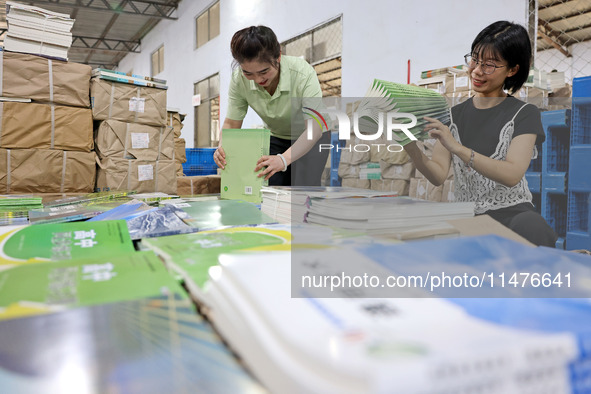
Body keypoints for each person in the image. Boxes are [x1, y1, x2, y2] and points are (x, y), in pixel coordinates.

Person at [405, 20, 557, 247]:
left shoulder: (525, 114)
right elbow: (437, 175)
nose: (476, 70)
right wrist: (408, 145)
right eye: (475, 59)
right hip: (469, 215)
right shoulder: (453, 115)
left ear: (513, 70)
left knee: (534, 228)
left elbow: (512, 174)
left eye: (489, 65)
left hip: (512, 214)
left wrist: (457, 147)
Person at [213, 25, 329, 186]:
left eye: (264, 71)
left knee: (303, 188)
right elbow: (232, 123)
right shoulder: (239, 80)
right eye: (248, 73)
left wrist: (284, 159)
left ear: (278, 56)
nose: (258, 79)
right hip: (277, 136)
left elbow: (314, 130)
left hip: (312, 136)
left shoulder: (303, 73)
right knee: (271, 185)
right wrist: (222, 147)